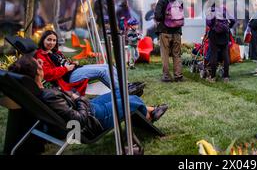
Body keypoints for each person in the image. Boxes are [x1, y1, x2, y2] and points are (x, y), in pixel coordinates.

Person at [8, 55, 168, 137]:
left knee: (120, 93)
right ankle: (149, 114)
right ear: (37, 72)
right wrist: (79, 99)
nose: (41, 63)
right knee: (131, 100)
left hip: (91, 108)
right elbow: (78, 121)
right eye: (38, 63)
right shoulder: (48, 96)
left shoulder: (38, 93)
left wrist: (75, 98)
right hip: (95, 119)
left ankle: (148, 110)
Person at [34, 30, 120, 95]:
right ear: (43, 40)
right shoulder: (40, 55)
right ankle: (121, 93)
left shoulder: (55, 52)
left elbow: (63, 62)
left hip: (73, 69)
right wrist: (65, 69)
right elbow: (47, 74)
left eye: (54, 40)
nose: (51, 43)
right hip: (68, 77)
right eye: (49, 40)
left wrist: (71, 63)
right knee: (103, 72)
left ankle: (125, 87)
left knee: (107, 66)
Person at [154, 0, 184, 82]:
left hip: (165, 31)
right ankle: (178, 76)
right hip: (177, 31)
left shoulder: (162, 0)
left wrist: (164, 18)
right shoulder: (179, 0)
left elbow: (157, 16)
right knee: (177, 54)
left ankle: (166, 76)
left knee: (165, 54)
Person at [205, 0, 236, 83]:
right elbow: (233, 20)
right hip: (225, 35)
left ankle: (213, 77)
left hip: (214, 35)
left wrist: (213, 27)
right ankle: (226, 77)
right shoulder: (224, 9)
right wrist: (228, 27)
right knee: (225, 55)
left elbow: (208, 23)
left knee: (213, 55)